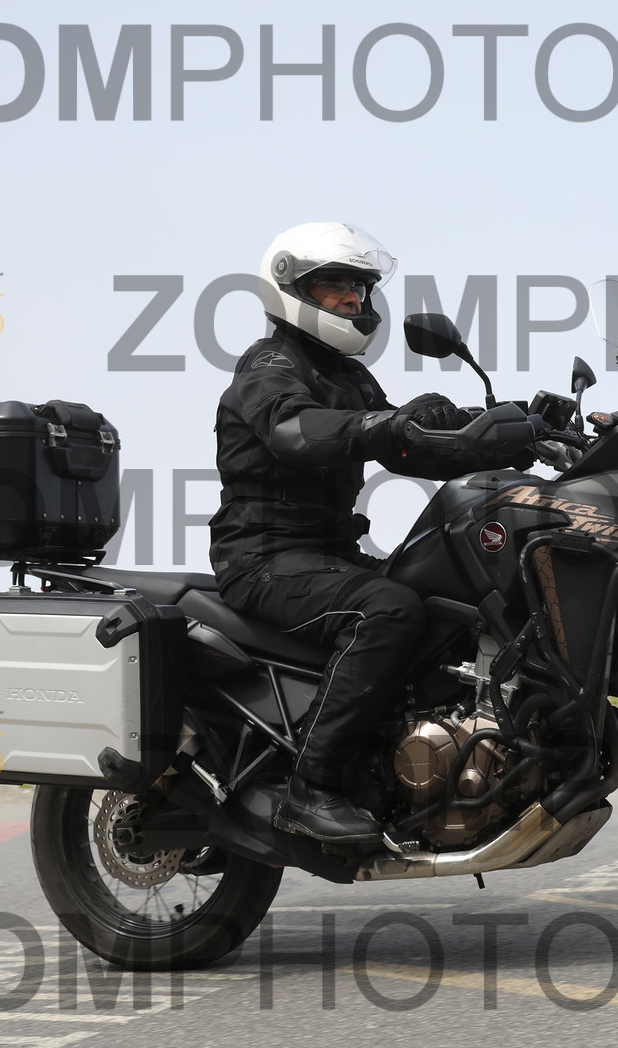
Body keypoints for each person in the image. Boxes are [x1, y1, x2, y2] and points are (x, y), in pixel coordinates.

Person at [209, 222, 506, 843]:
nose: (353, 299)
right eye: (336, 285)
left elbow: (410, 448)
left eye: (359, 287)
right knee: (389, 610)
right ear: (293, 290)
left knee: (445, 599)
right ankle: (310, 787)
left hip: (328, 557)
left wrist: (507, 429)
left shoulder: (348, 377)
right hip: (264, 560)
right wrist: (390, 425)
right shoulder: (269, 365)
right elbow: (295, 430)